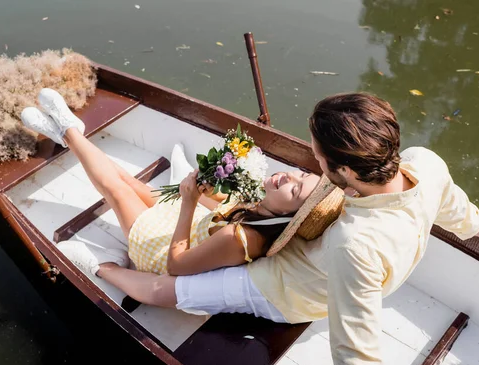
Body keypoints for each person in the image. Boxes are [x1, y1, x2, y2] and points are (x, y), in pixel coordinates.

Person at [28, 89, 479, 365]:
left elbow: (359, 355)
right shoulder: (424, 162)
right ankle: (67, 131)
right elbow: (453, 207)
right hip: (301, 255)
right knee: (143, 198)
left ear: (343, 172)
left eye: (316, 157)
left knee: (168, 292)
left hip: (284, 288)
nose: (309, 162)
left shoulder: (354, 246)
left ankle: (97, 266)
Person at [20, 88, 344, 322]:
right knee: (132, 184)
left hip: (161, 254)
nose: (287, 178)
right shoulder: (263, 207)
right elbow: (221, 206)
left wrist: (188, 202)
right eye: (300, 175)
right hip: (188, 224)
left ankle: (69, 129)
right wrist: (205, 184)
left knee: (117, 190)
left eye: (295, 190)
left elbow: (177, 266)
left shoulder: (242, 239)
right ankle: (71, 138)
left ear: (289, 215)